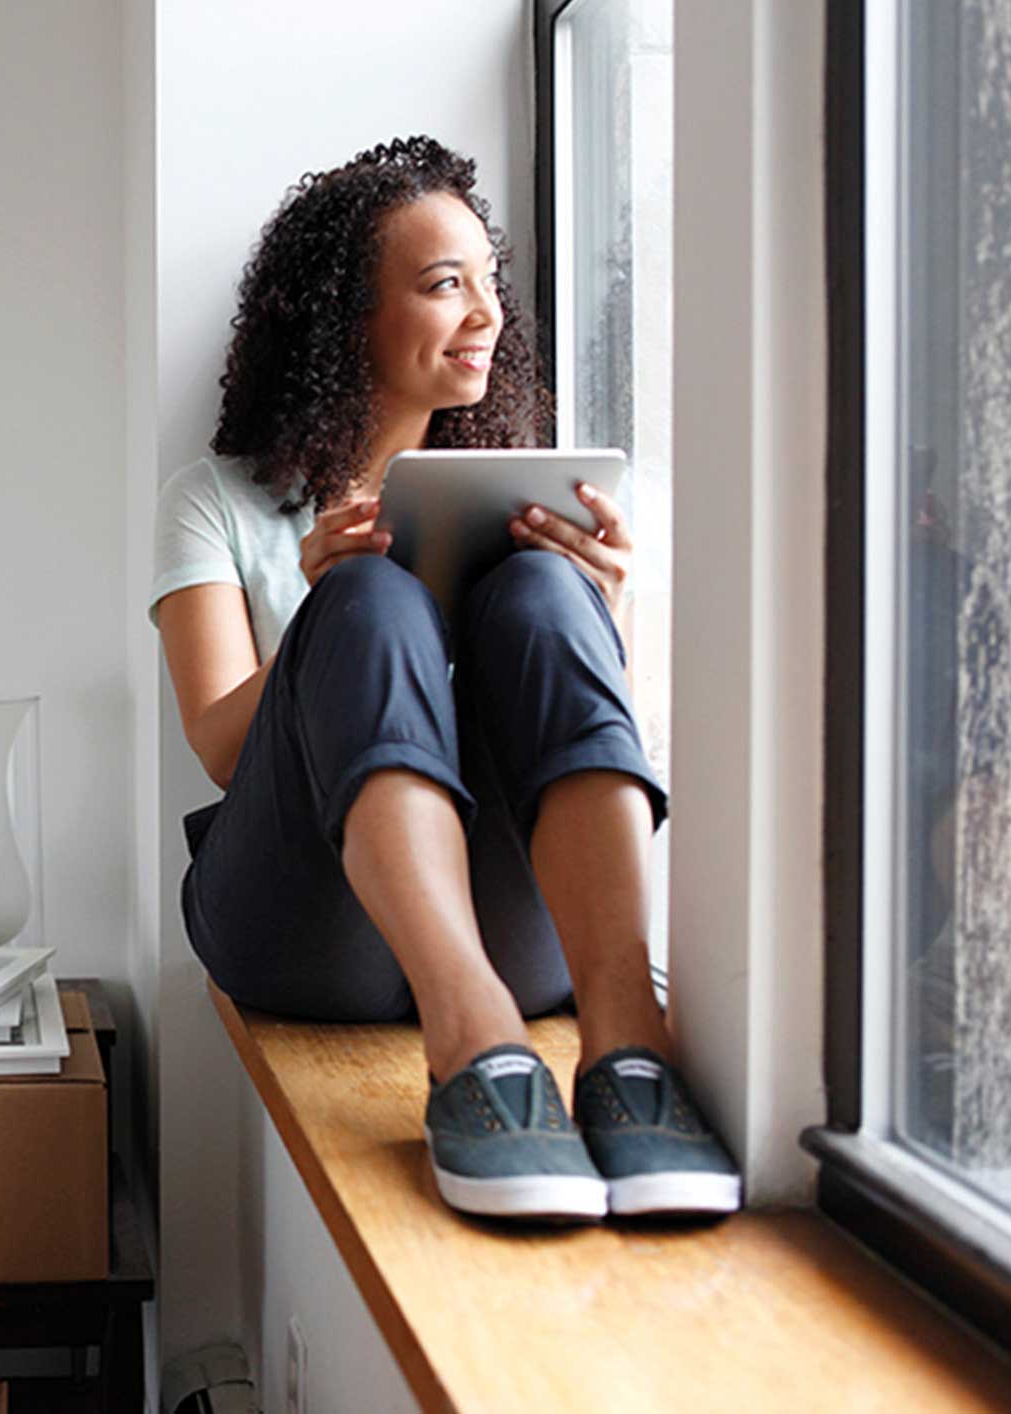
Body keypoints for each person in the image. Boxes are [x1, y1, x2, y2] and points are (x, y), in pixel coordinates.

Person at [149, 135, 740, 1223]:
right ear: (345, 318)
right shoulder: (216, 500)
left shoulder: (522, 492)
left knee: (540, 587)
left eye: (486, 281)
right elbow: (223, 745)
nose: (483, 313)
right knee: (370, 597)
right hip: (296, 919)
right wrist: (319, 608)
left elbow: (563, 714)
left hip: (507, 917)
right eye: (440, 284)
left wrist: (595, 608)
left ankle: (625, 1045)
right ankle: (468, 1044)